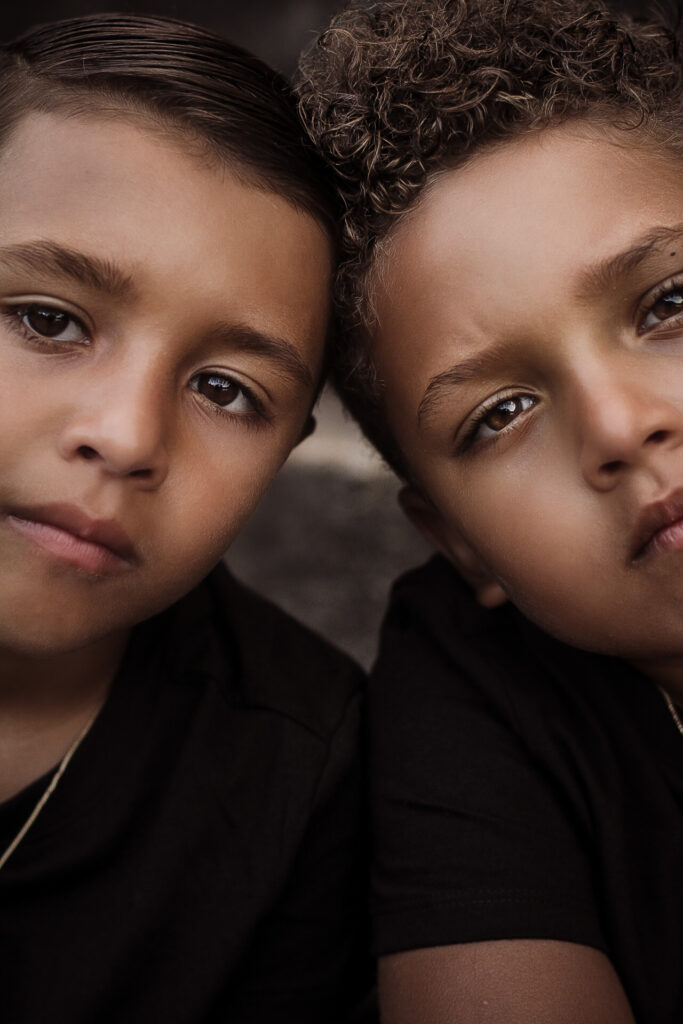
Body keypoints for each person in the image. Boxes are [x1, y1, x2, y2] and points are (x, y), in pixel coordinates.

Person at [297, 0, 683, 1019]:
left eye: (668, 303)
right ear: (458, 540)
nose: (617, 424)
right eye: (499, 412)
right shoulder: (464, 685)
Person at [0, 13, 372, 1023]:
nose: (126, 436)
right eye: (47, 319)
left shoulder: (306, 772)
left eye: (225, 389)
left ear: (288, 447)